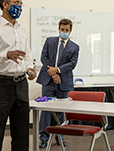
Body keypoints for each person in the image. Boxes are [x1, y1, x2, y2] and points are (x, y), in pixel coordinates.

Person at [0, 0, 37, 151]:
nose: (19, 7)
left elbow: (27, 55)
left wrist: (29, 69)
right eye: (16, 3)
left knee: (21, 133)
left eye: (21, 4)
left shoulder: (21, 30)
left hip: (21, 84)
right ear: (5, 5)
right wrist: (6, 54)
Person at [36, 18, 79, 148]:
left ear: (70, 31)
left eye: (66, 30)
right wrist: (54, 73)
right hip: (48, 80)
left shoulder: (75, 47)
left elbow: (72, 64)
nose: (64, 32)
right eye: (62, 29)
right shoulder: (50, 41)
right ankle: (43, 137)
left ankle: (59, 136)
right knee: (46, 109)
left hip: (64, 82)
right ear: (58, 29)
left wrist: (58, 71)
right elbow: (43, 57)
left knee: (61, 111)